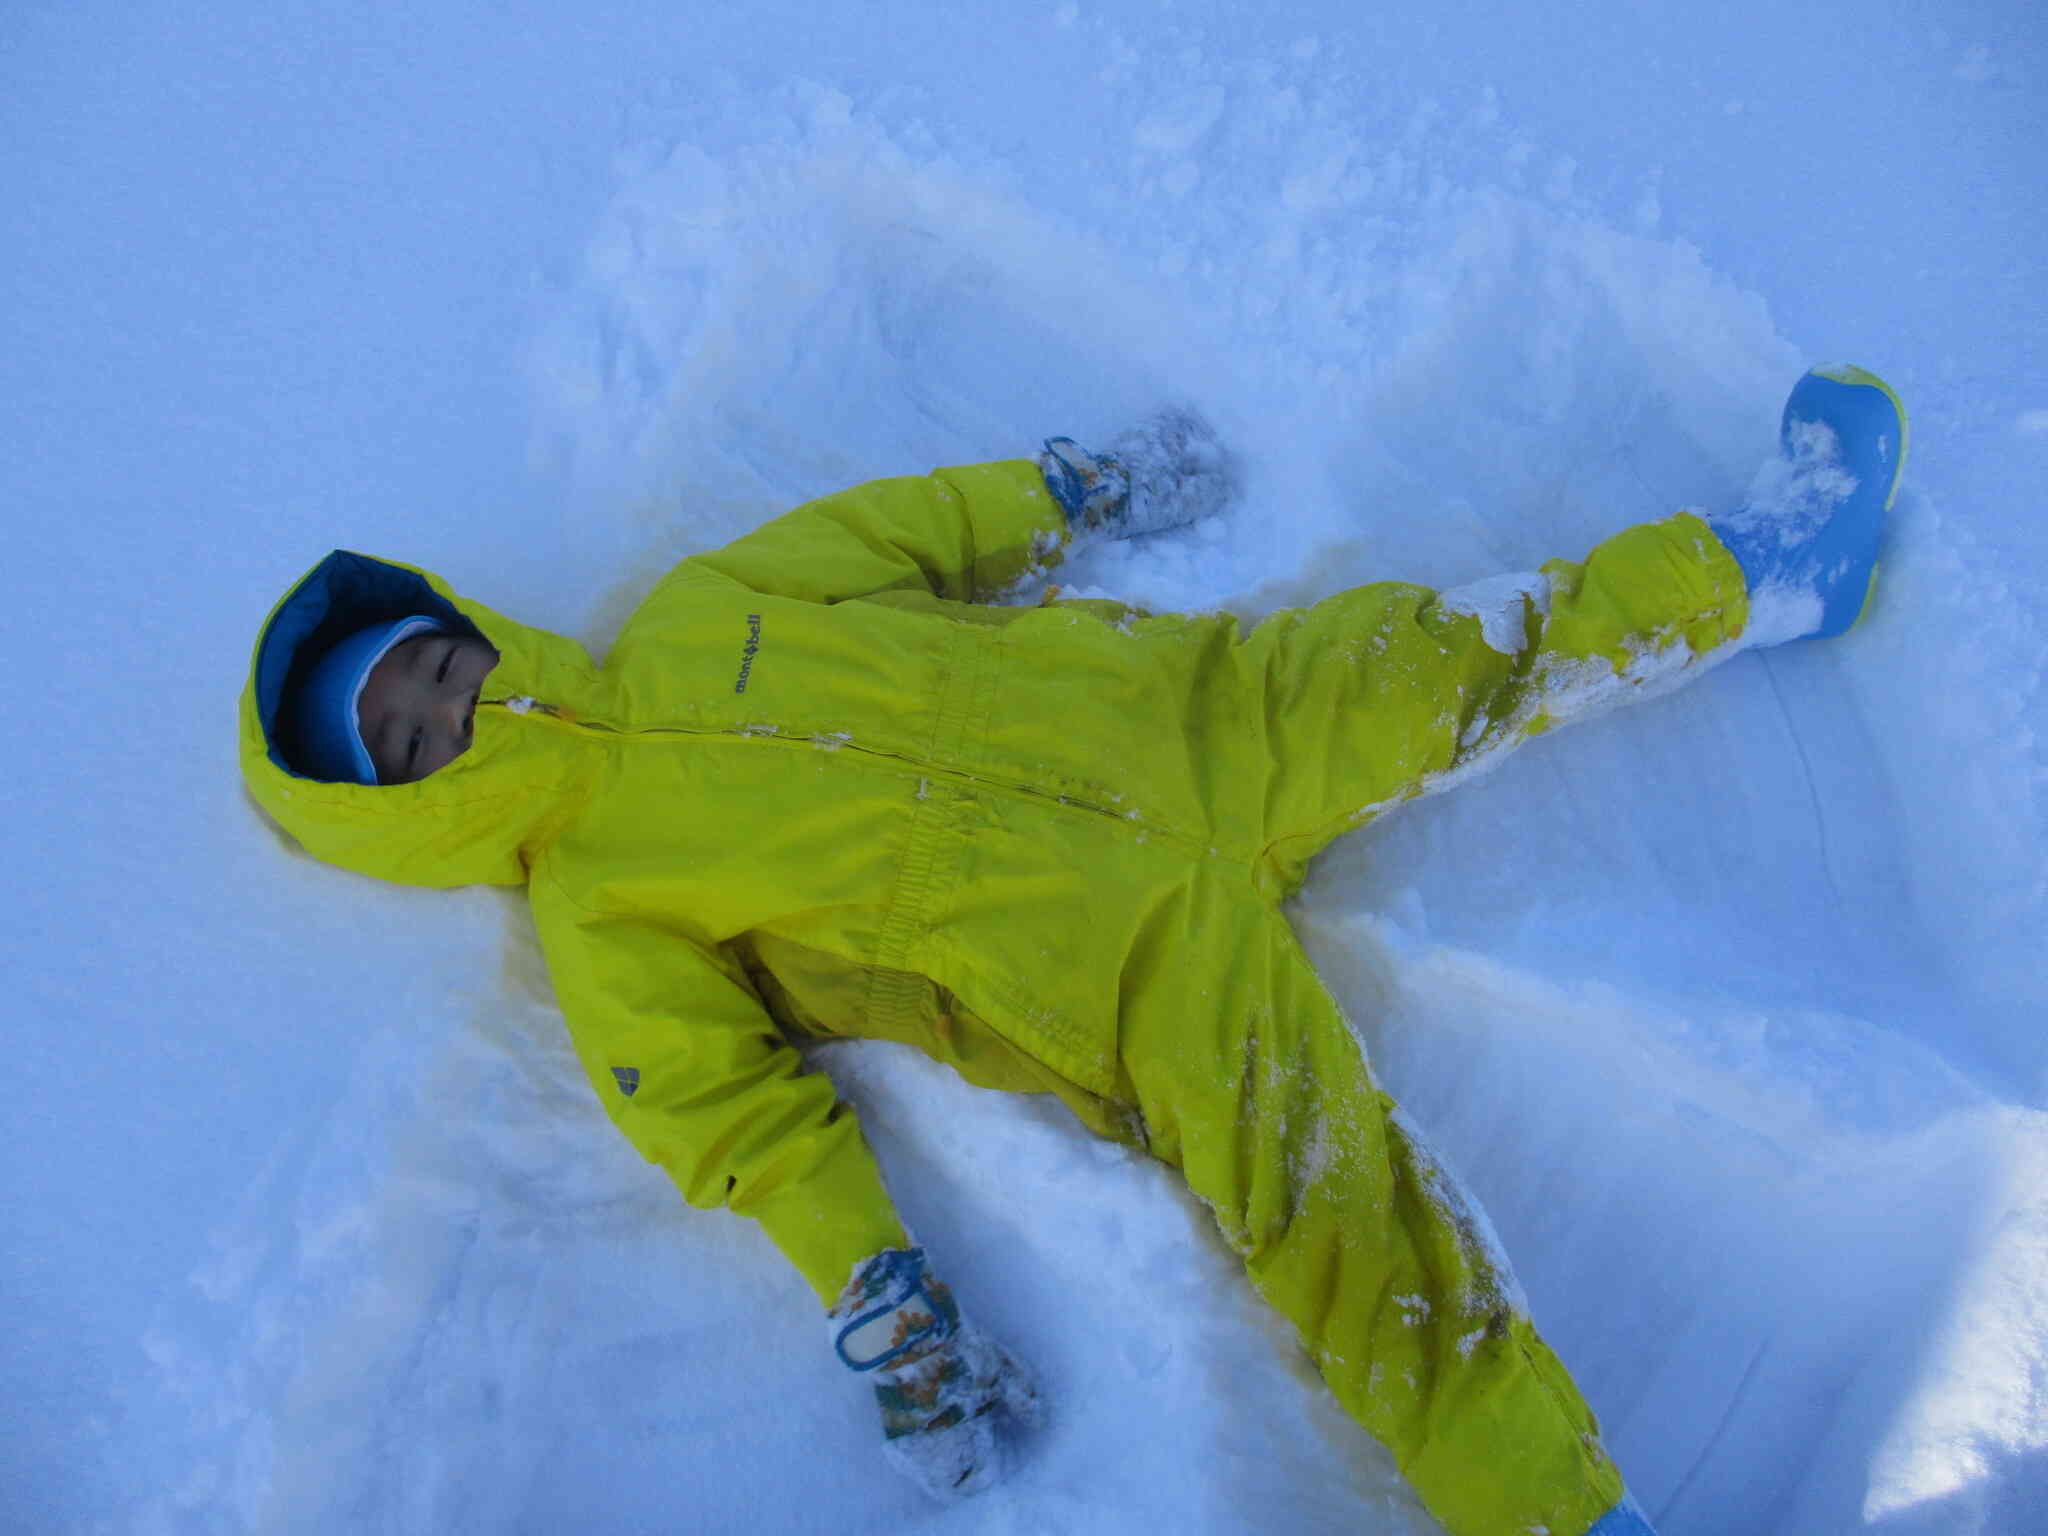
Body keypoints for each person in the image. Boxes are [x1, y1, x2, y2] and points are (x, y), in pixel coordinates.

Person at [237, 368, 1906, 1536]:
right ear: (407, 815)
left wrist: (1064, 493)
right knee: (1350, 1230)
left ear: (458, 624)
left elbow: (895, 531)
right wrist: (882, 1294)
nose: (449, 707)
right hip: (1122, 974)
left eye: (428, 666)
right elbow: (735, 1127)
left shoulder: (694, 608)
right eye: (403, 736)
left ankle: (1765, 570)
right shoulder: (599, 910)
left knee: (1464, 643)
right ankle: (1562, 1509)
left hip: (1193, 720)